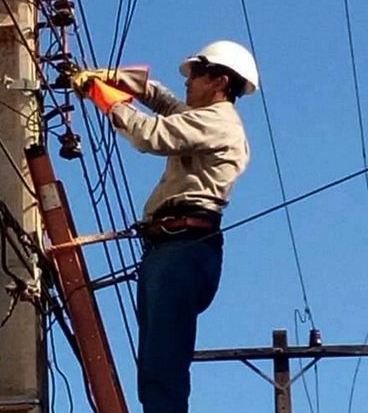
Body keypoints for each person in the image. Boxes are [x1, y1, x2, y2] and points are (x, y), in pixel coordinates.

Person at [71, 40, 259, 413]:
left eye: (196, 74)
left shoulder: (218, 123)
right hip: (171, 248)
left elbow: (149, 134)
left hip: (183, 247)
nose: (188, 81)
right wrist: (112, 78)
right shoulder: (203, 118)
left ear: (219, 81)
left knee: (163, 363)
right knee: (158, 361)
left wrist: (101, 93)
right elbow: (163, 100)